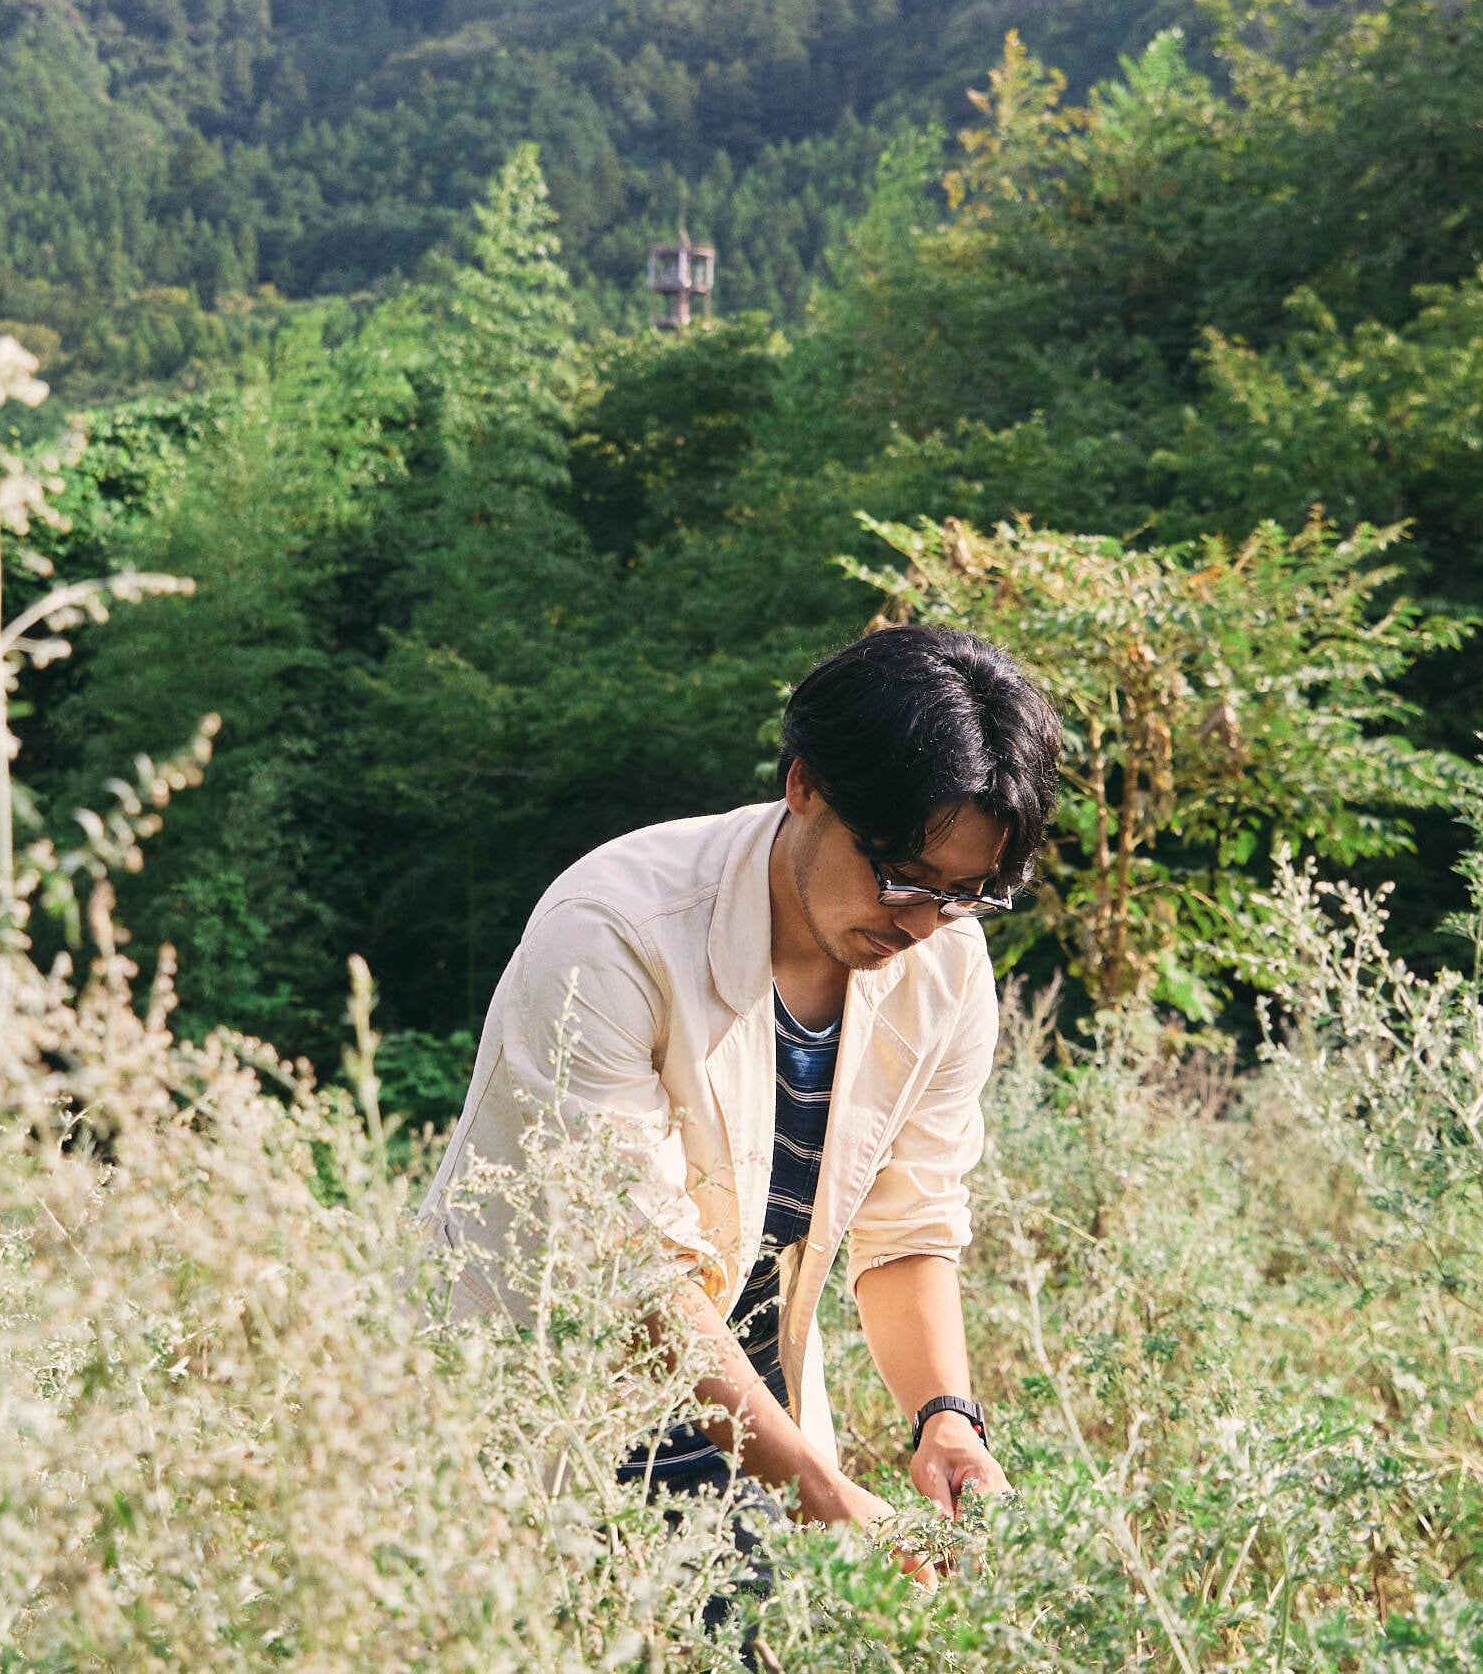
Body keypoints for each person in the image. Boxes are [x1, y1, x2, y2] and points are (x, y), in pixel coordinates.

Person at [421, 623, 1060, 1558]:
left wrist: (946, 1418)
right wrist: (825, 1494)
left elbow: (909, 1231)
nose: (923, 923)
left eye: (963, 892)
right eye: (900, 877)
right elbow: (635, 1283)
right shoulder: (611, 932)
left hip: (744, 1411)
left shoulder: (946, 966)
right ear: (804, 785)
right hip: (535, 1388)